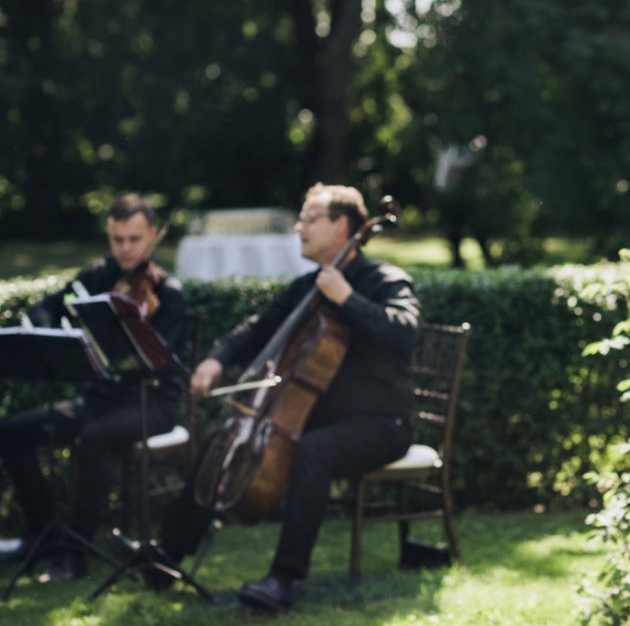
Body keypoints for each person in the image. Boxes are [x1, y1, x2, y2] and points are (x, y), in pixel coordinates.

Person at [148, 183, 418, 613]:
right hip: (318, 415)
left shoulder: (384, 280)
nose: (299, 227)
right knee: (220, 442)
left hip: (381, 423)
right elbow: (257, 328)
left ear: (343, 227)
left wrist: (347, 299)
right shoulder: (307, 287)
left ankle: (283, 578)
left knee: (313, 450)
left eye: (310, 219)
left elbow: (404, 333)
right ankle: (167, 556)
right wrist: (217, 359)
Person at [0, 193, 185, 582]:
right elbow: (47, 307)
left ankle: (75, 552)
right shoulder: (97, 275)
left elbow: (160, 361)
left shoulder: (168, 292)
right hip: (99, 400)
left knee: (94, 439)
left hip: (151, 404)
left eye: (135, 239)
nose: (126, 248)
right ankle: (44, 534)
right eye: (118, 239)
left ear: (152, 235)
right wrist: (51, 331)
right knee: (12, 432)